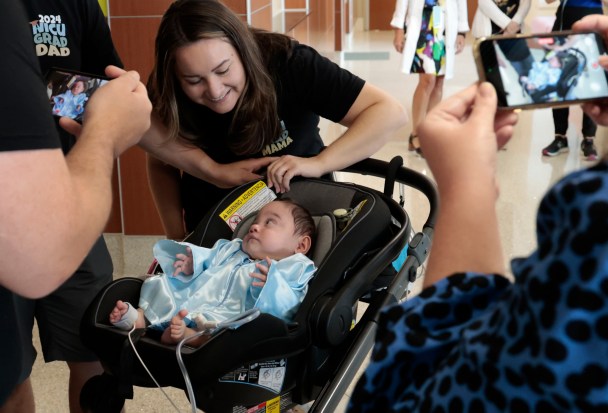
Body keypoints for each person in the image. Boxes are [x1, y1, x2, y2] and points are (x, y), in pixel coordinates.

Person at [347, 13, 608, 413]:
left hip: (444, 30)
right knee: (428, 81)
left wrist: (465, 187)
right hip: (426, 30)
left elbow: (429, 390)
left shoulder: (604, 218)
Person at [136, 0, 407, 240]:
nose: (215, 91)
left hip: (304, 222)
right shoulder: (166, 90)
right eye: (194, 81)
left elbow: (388, 113)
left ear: (243, 50)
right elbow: (162, 161)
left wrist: (318, 163)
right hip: (215, 232)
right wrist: (177, 237)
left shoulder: (289, 63)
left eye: (223, 70)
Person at [0, 2, 151, 412]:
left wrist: (205, 165)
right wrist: (101, 138)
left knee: (97, 343)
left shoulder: (74, 4)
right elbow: (37, 261)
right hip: (14, 220)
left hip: (72, 202)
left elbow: (117, 97)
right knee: (8, 374)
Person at [109, 199, 317, 346]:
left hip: (230, 316)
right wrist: (193, 263)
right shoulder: (232, 248)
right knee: (165, 283)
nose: (254, 227)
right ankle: (142, 318)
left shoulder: (293, 268)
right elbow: (208, 257)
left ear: (301, 245)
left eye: (269, 223)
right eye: (256, 221)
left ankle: (191, 336)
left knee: (233, 333)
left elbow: (292, 305)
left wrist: (272, 287)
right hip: (194, 298)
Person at [391, 0, 469, 156]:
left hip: (445, 27)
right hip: (423, 25)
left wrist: (461, 31)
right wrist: (399, 29)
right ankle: (416, 134)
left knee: (439, 82)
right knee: (427, 80)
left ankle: (430, 132)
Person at [542, 0, 603, 160]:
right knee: (559, 81)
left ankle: (589, 139)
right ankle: (560, 137)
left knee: (591, 81)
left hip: (593, 21)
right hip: (564, 24)